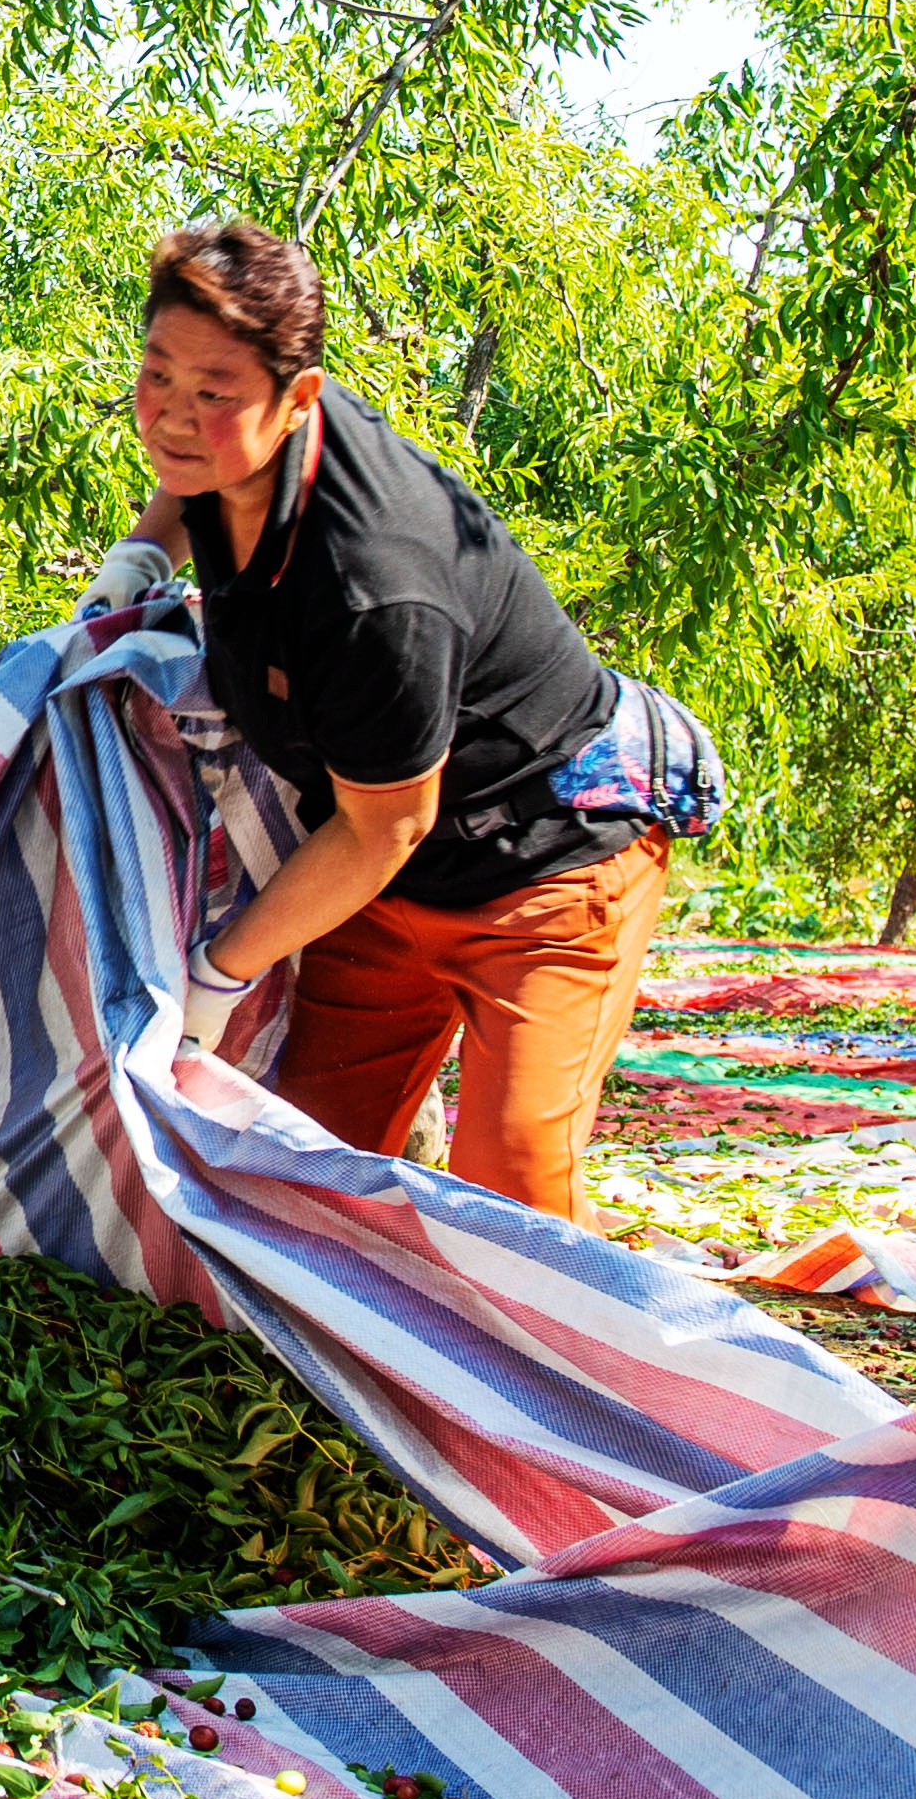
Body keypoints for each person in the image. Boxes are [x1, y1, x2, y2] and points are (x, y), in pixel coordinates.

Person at [79, 220, 719, 1227]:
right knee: (303, 1171)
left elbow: (387, 824)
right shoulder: (232, 448)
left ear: (300, 399)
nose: (174, 413)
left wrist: (217, 974)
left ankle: (561, 1379)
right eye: (157, 373)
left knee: (518, 1195)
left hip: (541, 866)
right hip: (382, 885)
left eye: (214, 391)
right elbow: (186, 458)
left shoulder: (375, 586)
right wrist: (142, 550)